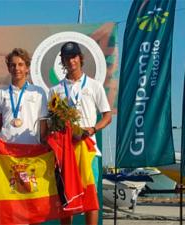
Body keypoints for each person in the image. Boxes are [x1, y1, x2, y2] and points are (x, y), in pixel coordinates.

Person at [49, 42, 112, 225]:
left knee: (90, 196)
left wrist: (92, 129)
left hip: (88, 149)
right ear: (63, 61)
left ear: (80, 58)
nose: (71, 61)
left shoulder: (94, 85)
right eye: (67, 58)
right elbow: (52, 121)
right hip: (65, 151)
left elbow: (107, 117)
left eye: (74, 56)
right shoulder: (55, 90)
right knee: (66, 197)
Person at [0, 47, 48, 144]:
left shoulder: (38, 92)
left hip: (32, 150)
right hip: (7, 152)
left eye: (20, 65)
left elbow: (43, 125)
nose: (16, 68)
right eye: (13, 65)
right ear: (9, 69)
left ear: (27, 68)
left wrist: (46, 145)